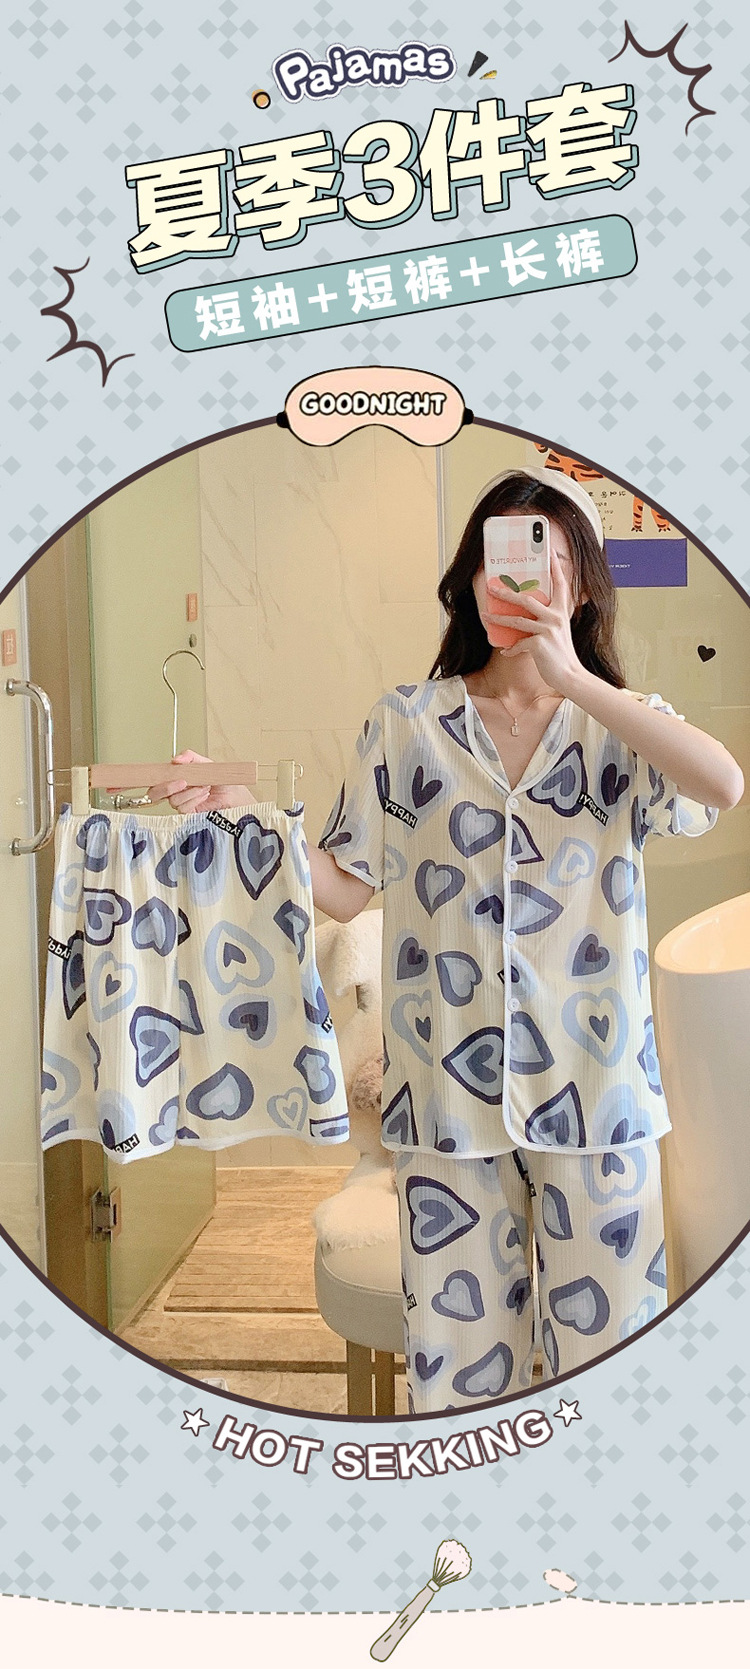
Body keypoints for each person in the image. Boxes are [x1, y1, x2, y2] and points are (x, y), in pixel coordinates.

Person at [156, 467, 744, 1414]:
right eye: (495, 558)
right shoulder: (408, 724)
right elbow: (345, 886)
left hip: (598, 1098)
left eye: (545, 561)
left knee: (612, 1371)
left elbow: (721, 785)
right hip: (446, 1104)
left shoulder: (618, 729)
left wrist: (575, 680)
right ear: (469, 579)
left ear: (582, 587)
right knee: (460, 1385)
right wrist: (244, 813)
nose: (516, 579)